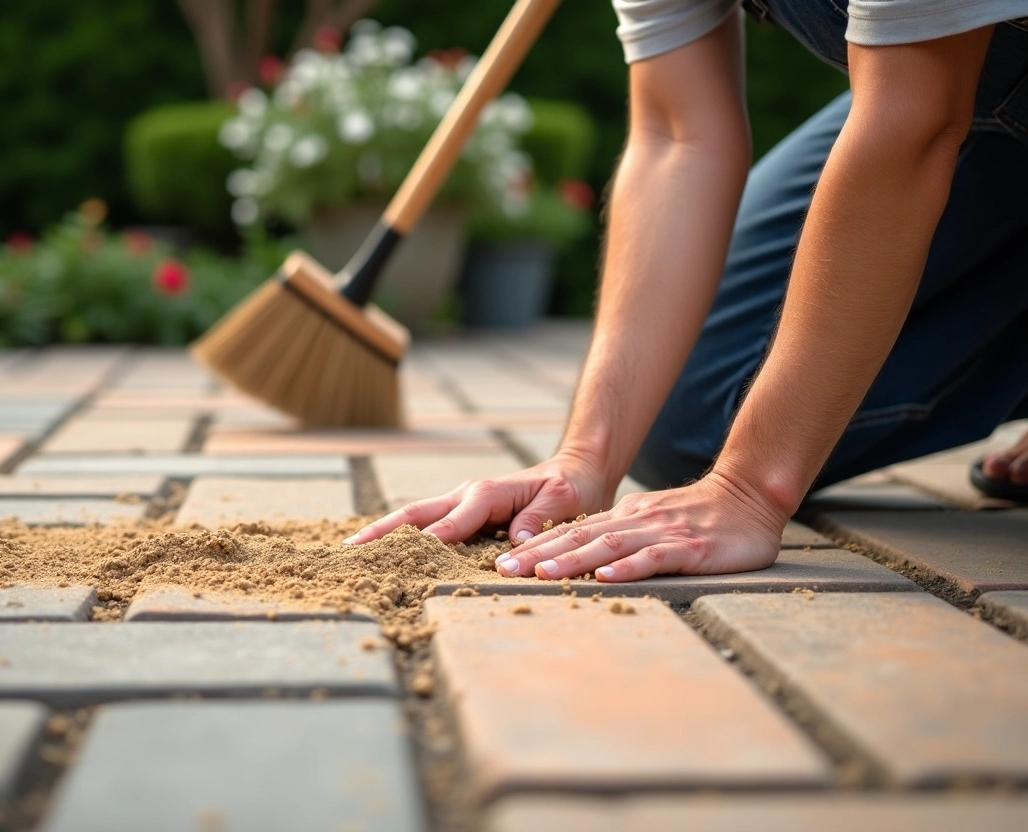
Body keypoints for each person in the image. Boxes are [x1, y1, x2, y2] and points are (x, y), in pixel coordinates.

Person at [347, 0, 1028, 583]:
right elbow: (678, 135)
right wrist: (585, 459)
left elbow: (913, 123)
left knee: (757, 448)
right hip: (963, 94)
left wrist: (751, 489)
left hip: (928, 97)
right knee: (698, 417)